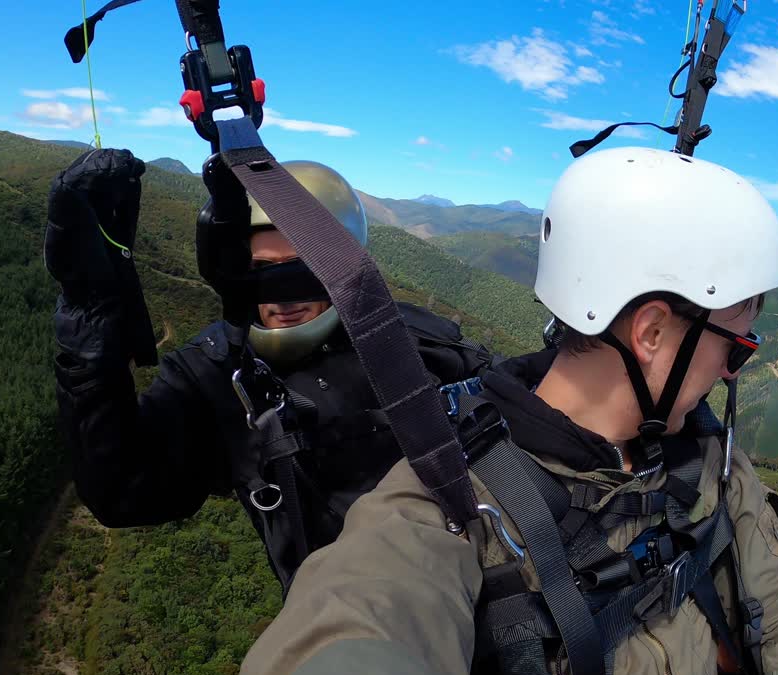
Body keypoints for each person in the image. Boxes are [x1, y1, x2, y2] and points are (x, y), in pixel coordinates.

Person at [239, 146, 778, 675]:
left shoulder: (704, 452)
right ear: (652, 333)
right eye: (736, 347)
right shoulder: (452, 492)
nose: (731, 372)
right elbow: (363, 610)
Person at [44, 148, 494, 590]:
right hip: (347, 623)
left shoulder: (407, 338)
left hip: (472, 579)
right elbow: (120, 491)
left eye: (303, 270)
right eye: (261, 270)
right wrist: (90, 334)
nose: (282, 296)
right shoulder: (218, 372)